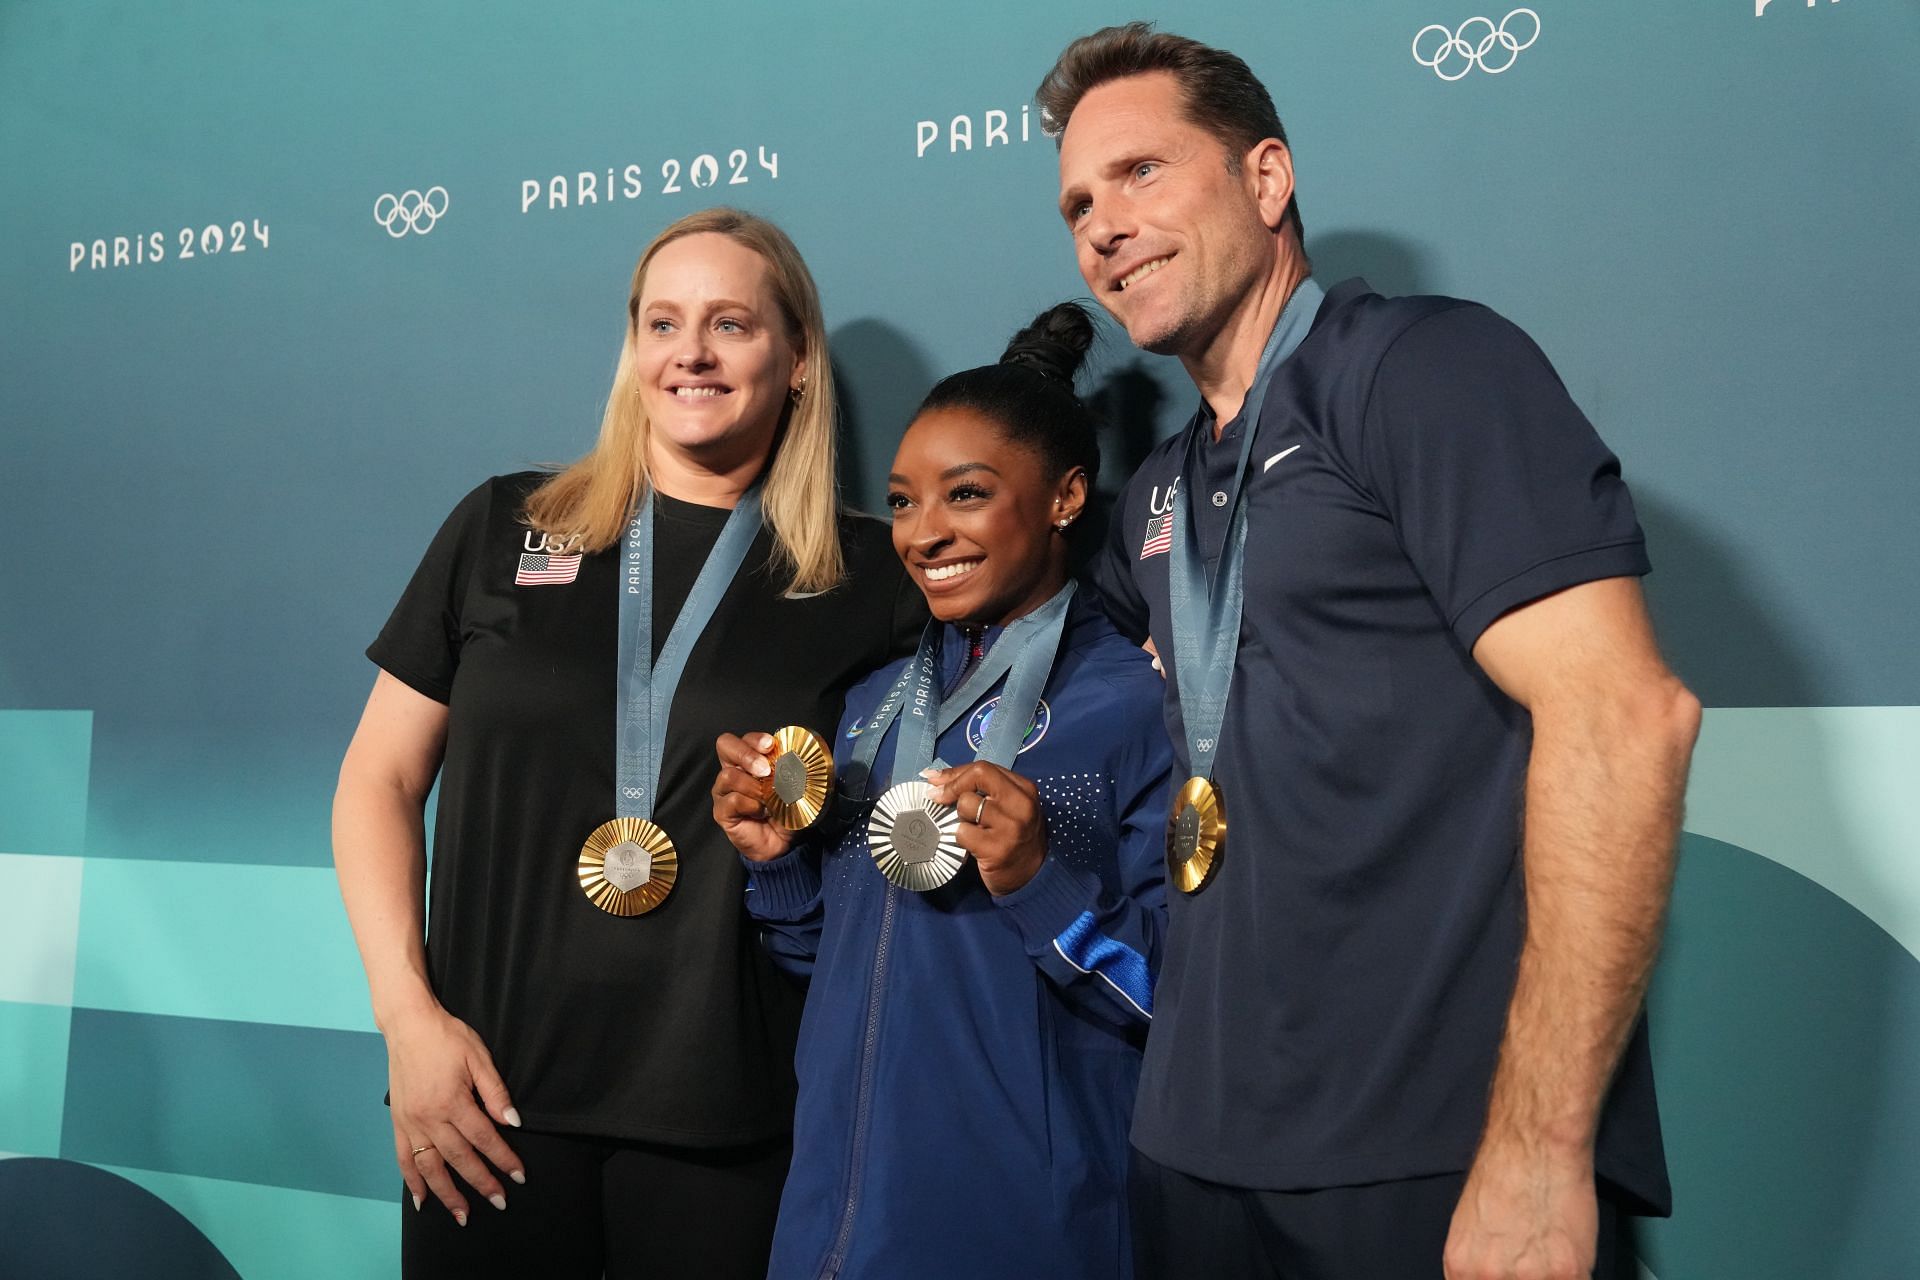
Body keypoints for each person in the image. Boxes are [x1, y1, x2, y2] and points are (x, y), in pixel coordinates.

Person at [1038, 24, 1702, 1280]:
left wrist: (1539, 1150)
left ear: (1268, 179)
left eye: (1141, 173)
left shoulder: (1422, 367)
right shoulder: (1161, 493)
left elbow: (1625, 718)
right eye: (1078, 201)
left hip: (1430, 1162)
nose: (1102, 226)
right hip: (1192, 1153)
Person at [331, 207, 923, 1280]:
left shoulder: (871, 576)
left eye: (730, 323)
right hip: (486, 1102)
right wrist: (407, 1020)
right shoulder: (504, 525)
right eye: (662, 322)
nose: (689, 352)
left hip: (737, 1119)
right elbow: (378, 776)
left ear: (795, 360)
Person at [710, 303, 1173, 1280]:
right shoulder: (877, 702)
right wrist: (779, 868)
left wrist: (1041, 876)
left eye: (965, 494)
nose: (924, 533)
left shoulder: (1133, 702)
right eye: (905, 502)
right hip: (838, 1223)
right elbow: (839, 962)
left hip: (1028, 1228)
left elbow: (1178, 994)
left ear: (1064, 496)